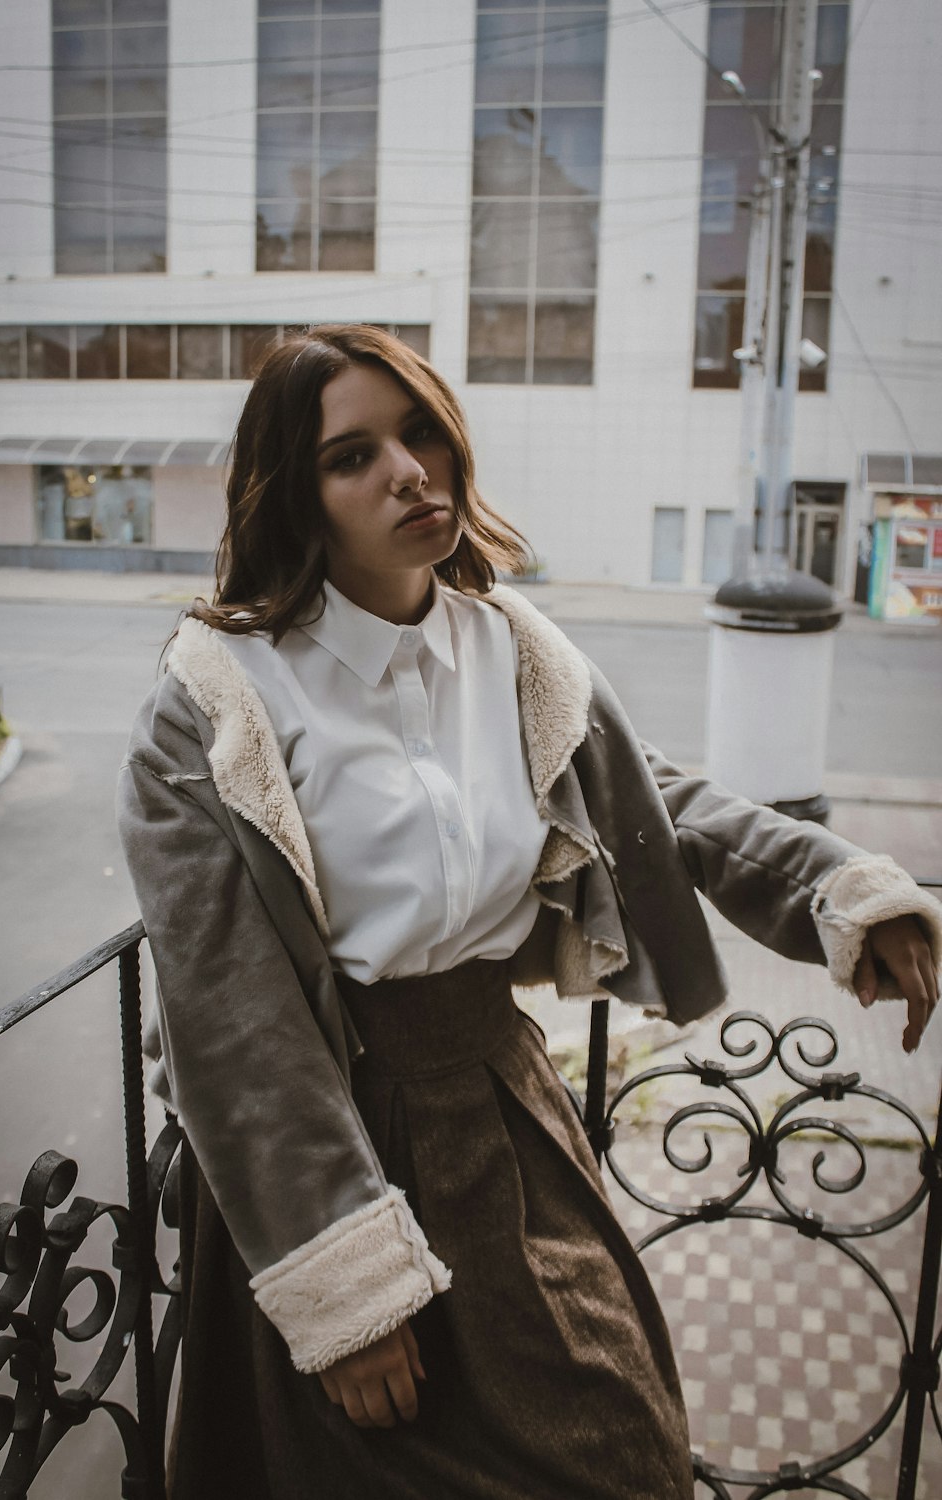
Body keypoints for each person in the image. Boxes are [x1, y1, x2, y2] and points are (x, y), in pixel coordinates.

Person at [117, 325, 940, 1500]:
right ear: (295, 496)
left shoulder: (511, 652)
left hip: (504, 1113)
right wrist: (345, 1298)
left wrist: (842, 898)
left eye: (417, 434)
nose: (408, 471)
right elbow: (230, 1017)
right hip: (326, 1152)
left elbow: (663, 808)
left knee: (618, 1447)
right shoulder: (217, 708)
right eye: (352, 457)